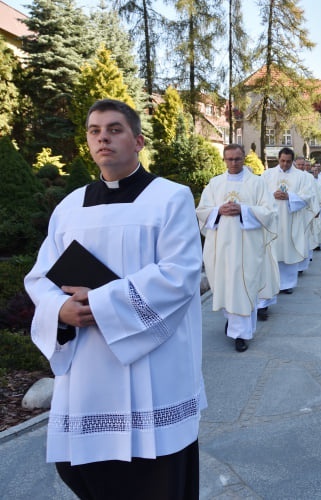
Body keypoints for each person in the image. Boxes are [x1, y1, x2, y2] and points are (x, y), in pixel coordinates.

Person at [24, 99, 205, 498]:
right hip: (88, 368)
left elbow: (180, 274)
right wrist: (60, 309)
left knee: (156, 478)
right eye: (94, 130)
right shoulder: (69, 207)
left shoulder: (170, 198)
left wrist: (102, 303)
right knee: (88, 475)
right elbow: (39, 276)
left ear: (138, 140)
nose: (102, 137)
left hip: (153, 365)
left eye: (114, 129)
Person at [196, 144, 276, 352]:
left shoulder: (257, 183)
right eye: (229, 159)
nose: (233, 163)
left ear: (244, 159)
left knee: (244, 285)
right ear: (224, 160)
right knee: (226, 285)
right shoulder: (215, 183)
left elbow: (269, 211)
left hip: (248, 247)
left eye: (237, 159)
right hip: (221, 246)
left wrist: (243, 210)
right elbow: (202, 210)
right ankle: (232, 323)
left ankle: (242, 334)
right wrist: (218, 210)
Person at [261, 147, 317, 294]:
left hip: (292, 219)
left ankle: (287, 284)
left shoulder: (302, 176)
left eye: (288, 161)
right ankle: (273, 282)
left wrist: (289, 197)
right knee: (273, 251)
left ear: (292, 161)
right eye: (282, 161)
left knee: (288, 250)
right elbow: (259, 194)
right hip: (272, 219)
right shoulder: (267, 175)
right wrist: (272, 194)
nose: (285, 164)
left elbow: (308, 195)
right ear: (278, 159)